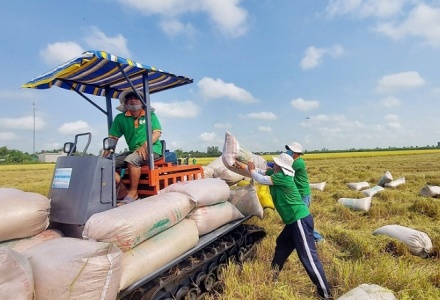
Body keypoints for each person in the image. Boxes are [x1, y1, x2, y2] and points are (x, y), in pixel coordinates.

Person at [247, 153, 331, 299]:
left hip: (299, 220)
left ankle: (325, 294)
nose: (274, 164)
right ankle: (273, 274)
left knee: (308, 257)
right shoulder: (276, 173)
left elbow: (260, 177)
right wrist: (244, 167)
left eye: (276, 163)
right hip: (293, 221)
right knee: (282, 244)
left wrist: (252, 170)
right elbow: (261, 172)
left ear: (280, 165)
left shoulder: (283, 177)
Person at [103, 89, 162, 204]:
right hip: (133, 150)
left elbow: (157, 133)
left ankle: (133, 193)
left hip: (152, 149)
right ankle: (123, 191)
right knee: (105, 163)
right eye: (130, 98)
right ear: (126, 103)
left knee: (132, 160)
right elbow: (113, 137)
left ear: (142, 102)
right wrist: (108, 149)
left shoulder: (150, 115)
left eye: (136, 98)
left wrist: (144, 146)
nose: (133, 100)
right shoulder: (120, 118)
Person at [286, 142, 324, 243]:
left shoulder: (297, 163)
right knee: (297, 218)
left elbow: (282, 168)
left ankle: (318, 238)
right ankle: (296, 238)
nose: (287, 152)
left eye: (290, 150)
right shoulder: (293, 161)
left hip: (303, 194)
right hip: (299, 194)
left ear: (295, 153)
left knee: (302, 219)